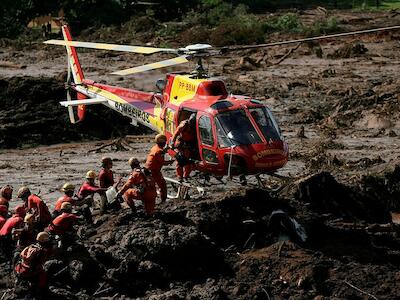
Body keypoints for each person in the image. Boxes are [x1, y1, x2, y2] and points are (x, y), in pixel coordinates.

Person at [14, 232, 52, 297]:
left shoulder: (31, 246)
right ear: (44, 241)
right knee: (43, 275)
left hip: (21, 267)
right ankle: (38, 290)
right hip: (30, 270)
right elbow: (39, 262)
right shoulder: (41, 251)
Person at [145, 134, 173, 202]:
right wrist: (171, 161)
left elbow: (161, 152)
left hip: (148, 169)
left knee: (150, 186)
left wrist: (166, 149)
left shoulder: (155, 147)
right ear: (162, 142)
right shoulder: (158, 151)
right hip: (154, 171)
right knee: (162, 186)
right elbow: (162, 162)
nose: (165, 143)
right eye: (165, 142)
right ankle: (163, 201)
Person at [171, 113, 197, 181]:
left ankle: (186, 176)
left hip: (188, 144)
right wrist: (172, 143)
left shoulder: (195, 125)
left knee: (188, 161)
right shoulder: (184, 124)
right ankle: (180, 177)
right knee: (179, 160)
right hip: (181, 143)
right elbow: (176, 133)